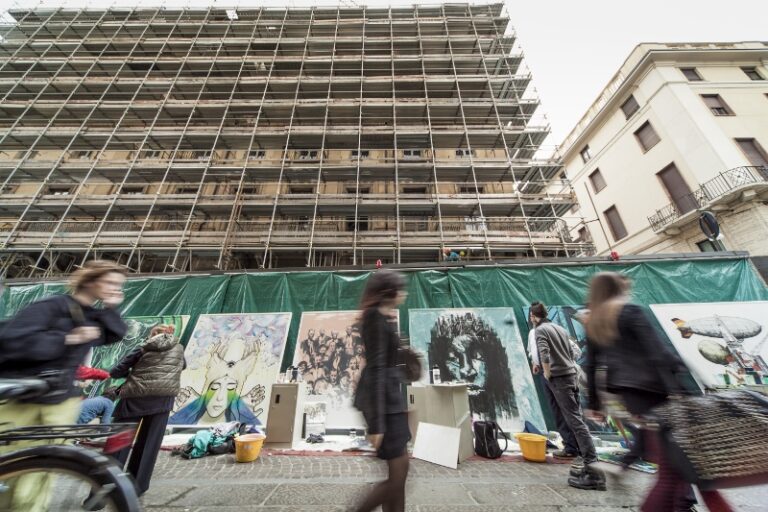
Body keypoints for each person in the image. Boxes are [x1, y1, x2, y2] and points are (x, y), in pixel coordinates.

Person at [583, 272, 731, 511]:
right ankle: (681, 502)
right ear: (617, 289)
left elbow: (591, 365)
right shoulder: (630, 311)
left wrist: (594, 403)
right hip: (658, 390)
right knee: (678, 460)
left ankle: (680, 500)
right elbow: (658, 353)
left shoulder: (596, 322)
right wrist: (681, 388)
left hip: (630, 394)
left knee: (674, 457)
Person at [0, 259, 128, 512]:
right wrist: (67, 338)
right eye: (110, 282)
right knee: (16, 462)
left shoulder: (92, 315)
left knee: (44, 468)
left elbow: (114, 333)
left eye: (119, 285)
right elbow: (11, 341)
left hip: (60, 401)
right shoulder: (52, 306)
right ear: (91, 280)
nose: (115, 288)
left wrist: (111, 307)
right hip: (25, 399)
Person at [530, 301, 605, 491]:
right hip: (571, 375)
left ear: (533, 316)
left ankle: (593, 468)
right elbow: (574, 351)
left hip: (559, 377)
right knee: (576, 418)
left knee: (575, 421)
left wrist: (547, 373)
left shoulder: (540, 330)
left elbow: (544, 354)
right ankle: (590, 464)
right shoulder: (559, 328)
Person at [353, 269, 410, 512]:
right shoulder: (375, 319)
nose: (404, 293)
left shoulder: (383, 317)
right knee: (398, 474)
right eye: (401, 287)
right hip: (382, 404)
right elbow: (376, 369)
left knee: (400, 474)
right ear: (390, 291)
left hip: (390, 399)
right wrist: (376, 424)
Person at [109, 325, 184, 496]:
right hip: (163, 401)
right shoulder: (179, 349)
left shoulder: (142, 349)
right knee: (149, 445)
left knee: (118, 445)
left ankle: (106, 487)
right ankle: (138, 487)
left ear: (152, 336)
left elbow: (115, 371)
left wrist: (134, 373)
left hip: (134, 399)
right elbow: (182, 367)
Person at [526, 311, 580, 460]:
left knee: (567, 411)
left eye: (532, 316)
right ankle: (572, 445)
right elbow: (534, 352)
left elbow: (574, 351)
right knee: (561, 410)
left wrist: (552, 368)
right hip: (551, 372)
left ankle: (576, 447)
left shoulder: (547, 330)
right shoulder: (539, 331)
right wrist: (536, 364)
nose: (531, 319)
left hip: (555, 373)